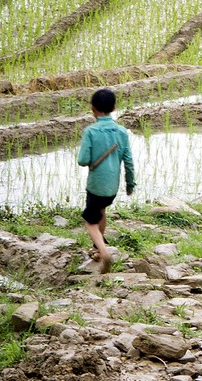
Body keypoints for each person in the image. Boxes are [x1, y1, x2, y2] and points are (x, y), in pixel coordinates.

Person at [77, 88, 135, 274]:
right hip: (112, 187)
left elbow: (83, 160)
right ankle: (97, 250)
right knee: (101, 211)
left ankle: (104, 252)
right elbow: (128, 161)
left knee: (90, 221)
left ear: (93, 109)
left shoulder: (91, 132)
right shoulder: (121, 131)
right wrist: (130, 184)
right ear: (114, 107)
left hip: (96, 185)